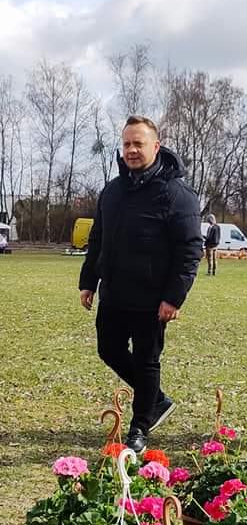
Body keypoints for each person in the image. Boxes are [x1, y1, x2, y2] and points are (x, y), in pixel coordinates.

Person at [79, 116, 203, 454]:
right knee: (109, 349)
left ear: (156, 147)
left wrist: (174, 298)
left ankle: (140, 426)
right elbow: (98, 238)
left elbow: (190, 250)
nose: (132, 150)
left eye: (139, 144)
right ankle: (156, 399)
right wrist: (88, 280)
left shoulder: (177, 195)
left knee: (147, 361)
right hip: (115, 293)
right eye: (127, 144)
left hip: (152, 300)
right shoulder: (113, 190)